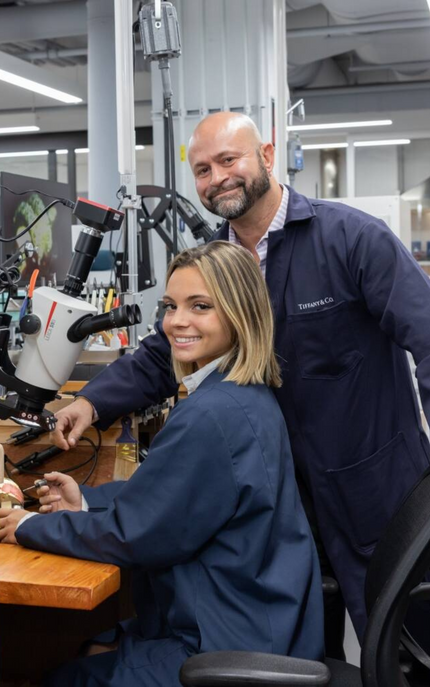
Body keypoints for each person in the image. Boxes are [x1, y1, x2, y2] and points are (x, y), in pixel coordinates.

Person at [53, 112, 430, 657]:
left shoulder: (350, 238)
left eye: (229, 160)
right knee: (304, 650)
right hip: (286, 502)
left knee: (407, 644)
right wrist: (91, 402)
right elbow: (165, 351)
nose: (217, 178)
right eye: (203, 169)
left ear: (268, 156)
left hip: (374, 490)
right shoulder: (217, 261)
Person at [0, 241, 324, 686]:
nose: (177, 321)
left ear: (240, 313)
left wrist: (28, 527)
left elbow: (136, 535)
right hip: (256, 618)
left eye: (200, 306)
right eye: (170, 306)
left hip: (221, 644)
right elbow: (169, 497)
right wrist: (86, 502)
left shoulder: (212, 414)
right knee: (93, 643)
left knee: (60, 677)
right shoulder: (243, 394)